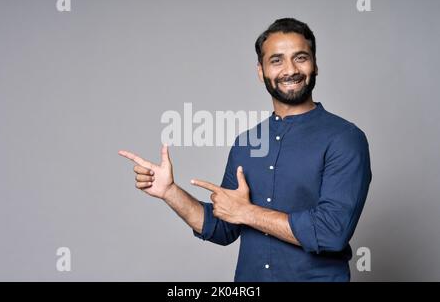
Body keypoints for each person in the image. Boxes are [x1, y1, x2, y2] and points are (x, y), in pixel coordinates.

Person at [119, 18, 372, 282]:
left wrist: (246, 212)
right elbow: (223, 228)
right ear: (260, 71)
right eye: (277, 60)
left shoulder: (345, 139)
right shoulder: (246, 143)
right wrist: (170, 192)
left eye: (300, 57)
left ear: (315, 65)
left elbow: (331, 232)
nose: (290, 69)